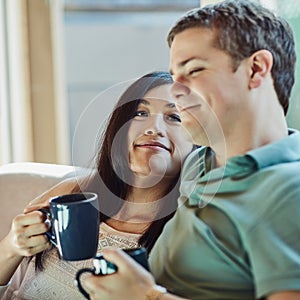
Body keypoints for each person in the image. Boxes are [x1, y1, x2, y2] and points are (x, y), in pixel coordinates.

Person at [81, 1, 300, 299]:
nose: (174, 89)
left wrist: (146, 297)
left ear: (256, 69)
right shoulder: (198, 163)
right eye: (175, 73)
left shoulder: (289, 191)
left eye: (194, 69)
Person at [0, 71, 194, 299]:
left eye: (175, 117)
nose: (154, 128)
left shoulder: (193, 228)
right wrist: (10, 248)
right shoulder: (73, 192)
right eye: (140, 113)